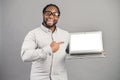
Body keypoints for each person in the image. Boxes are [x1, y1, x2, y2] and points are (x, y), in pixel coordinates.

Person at [21, 4, 69, 80]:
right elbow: (25, 56)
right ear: (43, 15)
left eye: (55, 14)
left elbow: (72, 54)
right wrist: (49, 49)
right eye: (48, 13)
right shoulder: (33, 34)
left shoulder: (66, 35)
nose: (51, 16)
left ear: (58, 17)